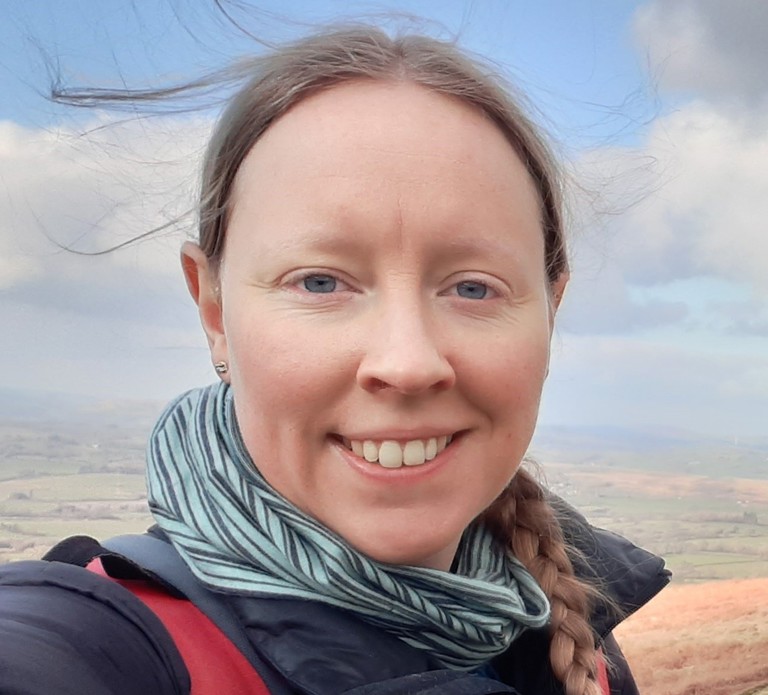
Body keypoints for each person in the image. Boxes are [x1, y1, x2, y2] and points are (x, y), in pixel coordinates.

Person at [0, 26, 669, 695]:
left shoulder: (569, 631)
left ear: (551, 310)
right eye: (320, 282)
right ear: (213, 309)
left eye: (472, 287)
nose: (406, 363)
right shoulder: (110, 643)